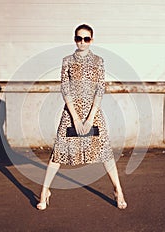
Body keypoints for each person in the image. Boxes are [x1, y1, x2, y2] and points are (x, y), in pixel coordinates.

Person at [37, 24, 127, 210]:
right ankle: (44, 192)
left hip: (93, 112)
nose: (82, 42)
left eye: (86, 39)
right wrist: (76, 118)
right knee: (59, 152)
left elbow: (100, 89)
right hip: (71, 113)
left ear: (91, 40)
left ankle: (118, 190)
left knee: (105, 152)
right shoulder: (67, 61)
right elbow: (65, 88)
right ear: (74, 39)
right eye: (79, 38)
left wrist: (90, 116)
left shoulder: (99, 61)